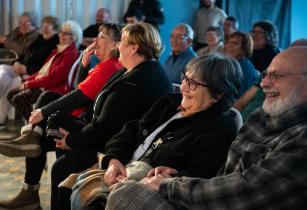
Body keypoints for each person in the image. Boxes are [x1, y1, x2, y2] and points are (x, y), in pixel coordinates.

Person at [106, 46, 307, 210]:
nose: (263, 83)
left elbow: (248, 189)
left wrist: (171, 184)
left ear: (217, 94)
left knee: (125, 194)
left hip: (202, 199)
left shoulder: (299, 136)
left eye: (277, 76)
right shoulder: (261, 115)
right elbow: (225, 174)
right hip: (175, 186)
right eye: (265, 74)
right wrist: (174, 176)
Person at [0, 22, 172, 210]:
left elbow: (104, 125)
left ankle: (35, 171)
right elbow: (93, 101)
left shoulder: (135, 81)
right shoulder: (130, 71)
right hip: (105, 131)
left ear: (134, 47)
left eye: (122, 42)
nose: (119, 46)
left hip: (115, 143)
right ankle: (30, 179)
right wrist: (83, 65)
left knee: (59, 163)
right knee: (49, 130)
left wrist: (71, 140)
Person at [61, 53, 242, 210]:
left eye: (193, 83)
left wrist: (143, 180)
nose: (184, 87)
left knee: (93, 202)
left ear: (217, 94)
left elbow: (196, 181)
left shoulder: (218, 130)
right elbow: (131, 129)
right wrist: (114, 159)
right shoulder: (170, 103)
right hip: (123, 166)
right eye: (185, 78)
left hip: (147, 187)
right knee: (64, 180)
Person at [4, 20, 81, 122]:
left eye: (66, 34)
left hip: (55, 88)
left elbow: (55, 78)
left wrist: (29, 84)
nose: (61, 35)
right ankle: (36, 124)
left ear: (74, 37)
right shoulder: (57, 50)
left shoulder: (70, 53)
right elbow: (41, 72)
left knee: (17, 98)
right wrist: (27, 81)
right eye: (61, 32)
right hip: (46, 84)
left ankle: (34, 124)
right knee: (11, 94)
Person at [0, 16, 59, 130]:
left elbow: (46, 67)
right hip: (21, 69)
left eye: (48, 27)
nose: (45, 29)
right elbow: (25, 55)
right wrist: (16, 62)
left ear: (56, 29)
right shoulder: (39, 39)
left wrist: (27, 70)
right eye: (43, 26)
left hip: (32, 75)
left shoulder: (54, 44)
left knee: (9, 84)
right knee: (2, 68)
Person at [224, 31, 260, 97]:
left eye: (235, 43)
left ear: (244, 48)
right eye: (227, 42)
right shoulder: (231, 65)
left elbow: (240, 101)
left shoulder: (246, 69)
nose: (229, 45)